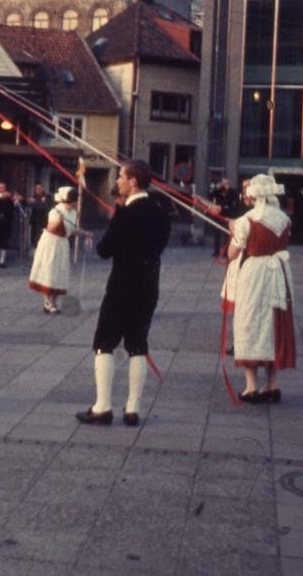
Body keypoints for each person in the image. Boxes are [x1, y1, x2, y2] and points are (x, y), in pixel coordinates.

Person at [77, 160, 171, 427]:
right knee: (137, 346)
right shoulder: (160, 212)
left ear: (133, 182)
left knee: (104, 344)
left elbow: (104, 250)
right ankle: (132, 408)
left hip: (121, 288)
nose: (116, 181)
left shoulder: (125, 214)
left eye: (120, 176)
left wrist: (117, 214)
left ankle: (102, 407)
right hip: (148, 287)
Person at [228, 174, 297, 403]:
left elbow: (232, 253)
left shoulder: (247, 219)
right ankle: (272, 384)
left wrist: (233, 232)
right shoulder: (284, 218)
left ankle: (251, 387)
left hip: (255, 274)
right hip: (279, 273)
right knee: (274, 324)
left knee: (250, 322)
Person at [28, 187, 80, 314]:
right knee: (49, 270)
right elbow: (50, 228)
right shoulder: (55, 211)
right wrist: (58, 221)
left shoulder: (73, 213)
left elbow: (72, 230)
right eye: (74, 201)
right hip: (51, 243)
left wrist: (86, 234)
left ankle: (54, 301)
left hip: (62, 243)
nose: (75, 204)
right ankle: (47, 302)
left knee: (59, 271)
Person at [208, 178, 240, 257]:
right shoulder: (218, 192)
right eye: (223, 184)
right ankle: (216, 251)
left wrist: (223, 207)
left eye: (226, 184)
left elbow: (234, 205)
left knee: (227, 234)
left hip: (228, 216)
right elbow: (210, 196)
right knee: (217, 234)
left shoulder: (233, 192)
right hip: (219, 216)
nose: (224, 186)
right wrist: (217, 188)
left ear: (229, 184)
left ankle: (226, 252)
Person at [26, 183, 53, 251]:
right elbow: (30, 205)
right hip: (35, 219)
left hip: (43, 220)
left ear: (42, 188)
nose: (38, 190)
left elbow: (45, 206)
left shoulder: (47, 196)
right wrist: (36, 202)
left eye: (39, 188)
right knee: (34, 236)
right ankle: (35, 250)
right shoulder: (34, 197)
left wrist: (36, 202)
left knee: (41, 237)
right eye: (36, 188)